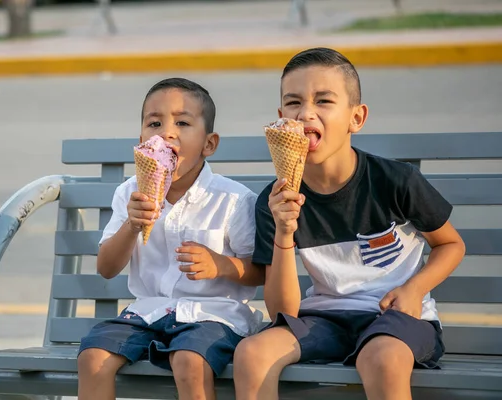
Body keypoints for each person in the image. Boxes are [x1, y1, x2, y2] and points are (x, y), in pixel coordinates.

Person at [233, 48, 466, 400]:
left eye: (323, 100)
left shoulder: (395, 181)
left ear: (356, 118)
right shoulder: (276, 200)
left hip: (396, 319)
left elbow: (451, 245)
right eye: (293, 103)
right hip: (324, 320)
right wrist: (284, 232)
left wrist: (415, 289)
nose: (306, 112)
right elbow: (283, 312)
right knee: (252, 354)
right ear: (281, 118)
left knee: (381, 358)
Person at [77, 77, 264, 400]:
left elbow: (259, 272)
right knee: (92, 357)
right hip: (147, 313)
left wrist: (222, 265)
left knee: (189, 361)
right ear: (140, 141)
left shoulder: (232, 200)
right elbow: (106, 268)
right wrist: (131, 227)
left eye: (182, 122)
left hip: (214, 316)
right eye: (154, 123)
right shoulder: (129, 193)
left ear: (209, 144)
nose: (167, 132)